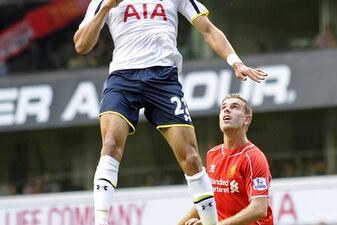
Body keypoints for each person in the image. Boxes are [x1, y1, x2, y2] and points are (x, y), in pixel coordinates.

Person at [73, 1, 266, 225]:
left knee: (191, 158)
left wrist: (235, 62)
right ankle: (101, 221)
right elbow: (81, 45)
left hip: (163, 79)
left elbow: (208, 29)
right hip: (123, 78)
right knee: (110, 145)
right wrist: (106, 7)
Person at [178, 94, 273, 225]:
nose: (227, 110)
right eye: (223, 108)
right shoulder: (212, 154)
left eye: (234, 107)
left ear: (246, 119)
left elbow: (259, 209)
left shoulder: (254, 157)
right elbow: (207, 201)